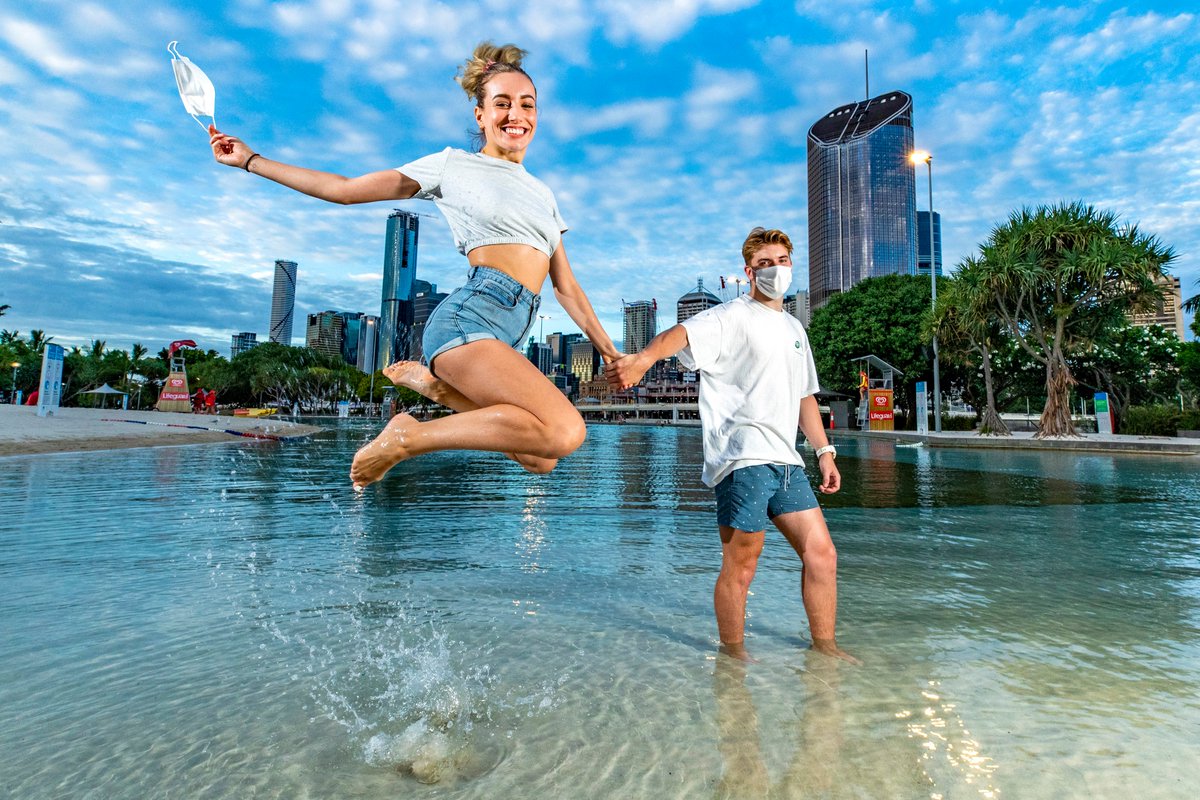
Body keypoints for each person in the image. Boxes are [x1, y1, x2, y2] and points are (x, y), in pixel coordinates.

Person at [209, 42, 620, 489]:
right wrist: (251, 160)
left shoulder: (543, 193)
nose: (515, 114)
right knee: (565, 431)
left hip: (510, 330)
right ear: (480, 115)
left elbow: (567, 288)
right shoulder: (452, 165)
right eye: (501, 103)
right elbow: (346, 189)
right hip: (472, 316)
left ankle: (439, 391)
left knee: (541, 458)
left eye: (527, 104)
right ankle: (408, 436)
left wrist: (611, 352)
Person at [608, 227, 855, 663]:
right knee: (742, 565)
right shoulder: (729, 316)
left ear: (791, 266)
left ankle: (825, 648)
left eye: (781, 261)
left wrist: (824, 451)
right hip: (742, 457)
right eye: (764, 264)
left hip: (786, 462)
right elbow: (678, 336)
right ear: (749, 271)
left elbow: (804, 396)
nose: (774, 270)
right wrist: (643, 360)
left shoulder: (796, 327)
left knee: (824, 555)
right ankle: (733, 658)